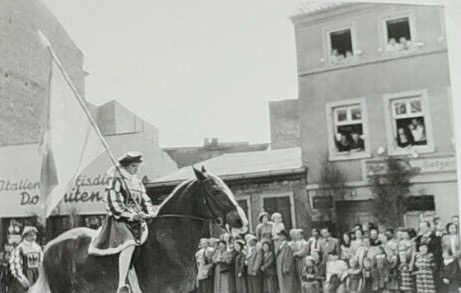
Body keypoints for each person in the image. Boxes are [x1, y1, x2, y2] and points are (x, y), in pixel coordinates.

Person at [88, 152, 156, 293]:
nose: (136, 169)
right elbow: (114, 204)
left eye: (137, 166)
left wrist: (149, 212)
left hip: (138, 220)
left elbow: (145, 199)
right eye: (133, 166)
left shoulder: (137, 182)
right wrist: (131, 215)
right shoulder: (116, 180)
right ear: (125, 166)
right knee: (129, 244)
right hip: (119, 220)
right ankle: (121, 285)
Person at [9, 226, 43, 293]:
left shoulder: (37, 248)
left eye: (35, 235)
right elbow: (15, 265)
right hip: (24, 276)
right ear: (25, 236)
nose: (34, 237)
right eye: (31, 236)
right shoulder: (20, 248)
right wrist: (21, 278)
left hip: (36, 276)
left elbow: (41, 262)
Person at [441, 222, 461, 292]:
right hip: (449, 259)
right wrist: (446, 255)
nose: (452, 229)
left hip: (458, 258)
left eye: (454, 228)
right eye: (450, 228)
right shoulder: (445, 237)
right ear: (448, 229)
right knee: (451, 276)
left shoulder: (459, 236)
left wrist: (453, 256)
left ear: (456, 229)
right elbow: (444, 248)